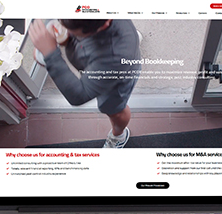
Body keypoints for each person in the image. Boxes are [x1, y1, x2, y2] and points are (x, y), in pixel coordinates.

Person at [29, 18, 141, 148]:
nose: (60, 24)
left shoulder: (112, 60)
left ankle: (119, 135)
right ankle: (131, 40)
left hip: (115, 79)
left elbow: (78, 96)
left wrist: (51, 55)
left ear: (104, 24)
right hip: (114, 45)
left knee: (113, 110)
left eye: (73, 31)